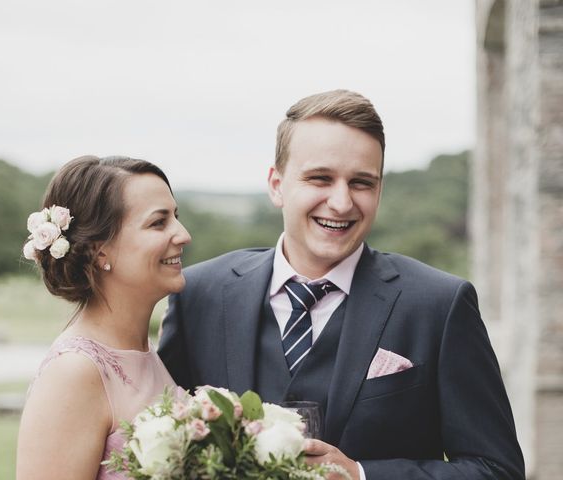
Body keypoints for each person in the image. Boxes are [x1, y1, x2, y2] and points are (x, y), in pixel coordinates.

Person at [158, 90, 525, 479]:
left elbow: (496, 469)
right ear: (277, 184)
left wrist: (360, 474)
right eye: (320, 178)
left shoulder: (439, 304)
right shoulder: (199, 293)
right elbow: (165, 443)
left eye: (362, 183)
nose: (341, 202)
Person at [16, 155, 191, 480]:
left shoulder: (144, 351)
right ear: (101, 251)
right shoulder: (75, 372)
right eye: (158, 222)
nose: (183, 235)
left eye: (176, 217)